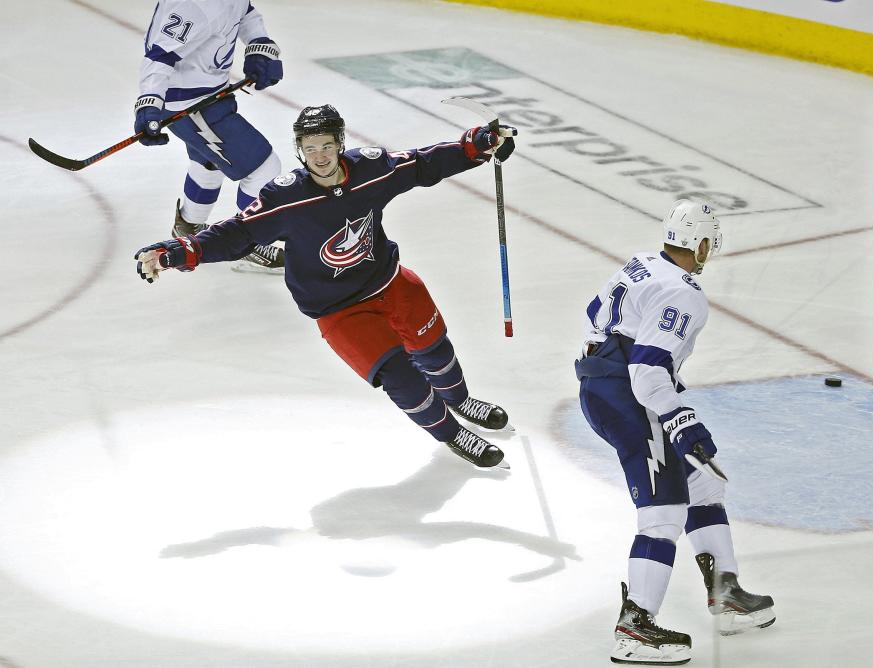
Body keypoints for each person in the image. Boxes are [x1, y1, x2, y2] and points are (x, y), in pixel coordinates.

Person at [134, 104, 518, 468]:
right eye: (310, 147)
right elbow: (237, 234)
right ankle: (454, 434)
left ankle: (461, 400)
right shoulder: (284, 197)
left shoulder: (371, 169)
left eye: (327, 145)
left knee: (433, 347)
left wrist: (476, 145)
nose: (319, 155)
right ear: (300, 150)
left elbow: (421, 165)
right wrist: (177, 252)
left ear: (340, 144)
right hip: (337, 308)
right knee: (400, 377)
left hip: (387, 279)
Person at [575, 200, 774, 664]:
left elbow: (594, 313)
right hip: (627, 397)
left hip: (602, 384)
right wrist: (683, 421)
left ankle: (727, 594)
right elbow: (647, 373)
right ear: (702, 244)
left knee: (706, 483)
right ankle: (636, 627)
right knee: (663, 512)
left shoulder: (642, 263)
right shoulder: (684, 294)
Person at [135, 0, 286, 272]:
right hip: (190, 106)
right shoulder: (192, 5)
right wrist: (149, 104)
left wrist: (259, 45)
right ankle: (247, 243)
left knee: (209, 163)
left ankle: (188, 229)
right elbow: (160, 56)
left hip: (211, 95)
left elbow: (244, 11)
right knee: (264, 168)